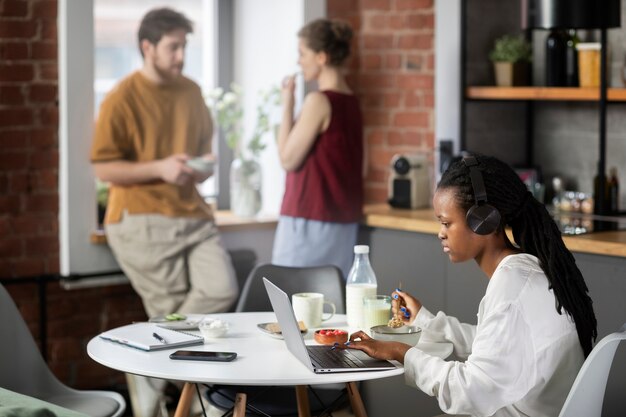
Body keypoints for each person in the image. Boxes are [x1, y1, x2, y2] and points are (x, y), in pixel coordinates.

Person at [341, 154, 598, 417]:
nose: (440, 232)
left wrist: (400, 351)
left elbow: (468, 391)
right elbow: (492, 343)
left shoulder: (511, 286)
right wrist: (424, 319)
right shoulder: (525, 270)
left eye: (446, 222)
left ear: (482, 220)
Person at [90, 7, 238, 318]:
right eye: (173, 47)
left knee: (221, 290)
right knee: (171, 314)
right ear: (148, 47)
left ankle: (148, 355)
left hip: (193, 215)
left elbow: (205, 152)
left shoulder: (192, 91)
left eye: (185, 46)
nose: (181, 55)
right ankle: (150, 358)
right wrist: (160, 168)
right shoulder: (121, 98)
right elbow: (103, 168)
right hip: (140, 219)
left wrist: (202, 166)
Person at [272, 18, 364, 278]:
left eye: (302, 54)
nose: (299, 61)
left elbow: (287, 159)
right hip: (342, 223)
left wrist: (287, 103)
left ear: (322, 57)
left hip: (309, 219)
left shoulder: (318, 100)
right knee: (330, 307)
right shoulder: (353, 103)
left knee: (291, 305)